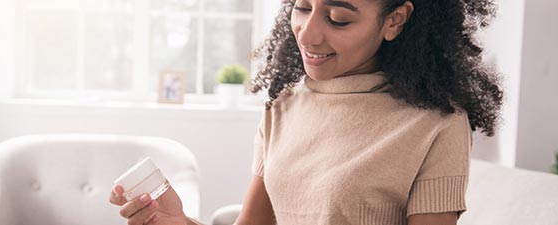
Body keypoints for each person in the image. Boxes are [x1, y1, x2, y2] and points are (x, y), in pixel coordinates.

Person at [109, 0, 503, 224]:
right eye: (302, 7)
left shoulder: (437, 125)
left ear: (394, 20)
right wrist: (180, 223)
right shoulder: (282, 107)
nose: (308, 34)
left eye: (338, 18)